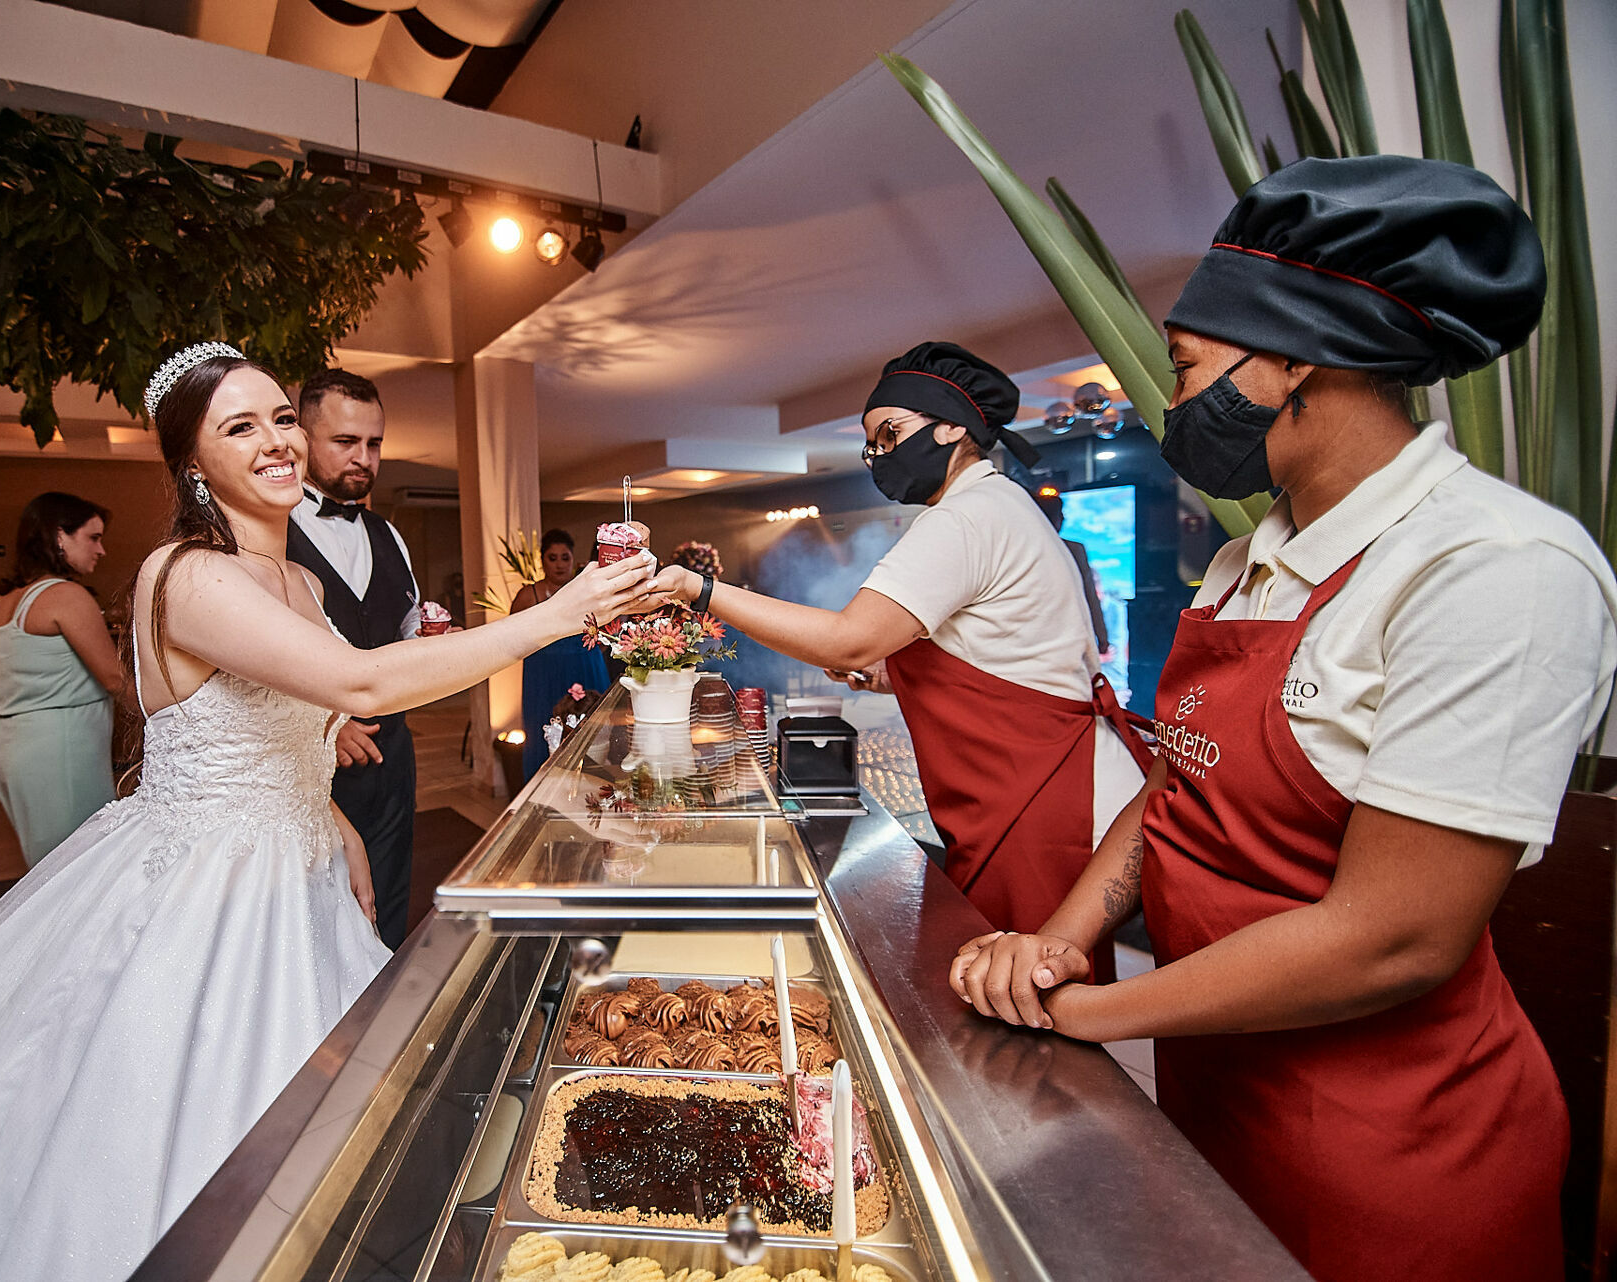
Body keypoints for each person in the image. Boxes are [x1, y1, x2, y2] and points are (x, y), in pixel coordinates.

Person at [0, 341, 655, 1282]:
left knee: (325, 1135)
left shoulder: (299, 581)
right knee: (193, 1138)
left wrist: (328, 819)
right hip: (204, 888)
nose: (278, 441)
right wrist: (555, 613)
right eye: (239, 427)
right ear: (193, 465)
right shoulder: (188, 574)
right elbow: (363, 680)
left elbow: (303, 723)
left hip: (301, 871)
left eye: (282, 418)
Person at [947, 157, 1617, 1282]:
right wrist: (1067, 941)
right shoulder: (1239, 563)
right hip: (1216, 1100)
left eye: (1189, 366)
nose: (1172, 404)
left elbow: (1396, 935)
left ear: (1298, 356)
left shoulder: (1497, 567)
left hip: (1396, 1157)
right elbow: (1177, 798)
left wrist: (1097, 1018)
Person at [651, 342, 1149, 980]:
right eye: (871, 444)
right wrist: (894, 674)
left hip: (1040, 796)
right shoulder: (999, 504)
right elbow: (1000, 655)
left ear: (952, 427)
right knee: (1001, 981)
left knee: (1022, 993)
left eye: (891, 433)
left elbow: (848, 639)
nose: (880, 453)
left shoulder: (966, 518)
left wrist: (700, 589)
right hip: (1031, 782)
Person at [286, 367, 424, 948]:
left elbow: (407, 630)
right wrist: (321, 726)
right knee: (316, 919)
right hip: (307, 770)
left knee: (388, 906)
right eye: (345, 442)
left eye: (374, 444)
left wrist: (432, 647)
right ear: (303, 439)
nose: (363, 458)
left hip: (390, 754)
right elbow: (240, 670)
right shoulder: (265, 533)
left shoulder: (389, 535)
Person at [0, 492, 125, 865]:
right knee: (75, 872)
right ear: (59, 536)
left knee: (45, 869)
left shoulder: (3, 601)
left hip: (15, 746)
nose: (101, 550)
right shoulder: (67, 595)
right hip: (62, 747)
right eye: (93, 538)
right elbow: (115, 679)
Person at [513, 528, 611, 780]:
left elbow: (609, 628)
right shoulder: (528, 595)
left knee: (593, 728)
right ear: (542, 560)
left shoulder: (588, 591)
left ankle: (595, 790)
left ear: (572, 558)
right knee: (542, 729)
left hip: (585, 665)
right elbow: (512, 637)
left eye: (564, 557)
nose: (558, 564)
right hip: (543, 672)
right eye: (552, 558)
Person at [1033, 487, 1109, 656]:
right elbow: (1089, 595)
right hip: (1067, 632)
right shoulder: (1074, 550)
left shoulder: (1023, 548)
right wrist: (1102, 636)